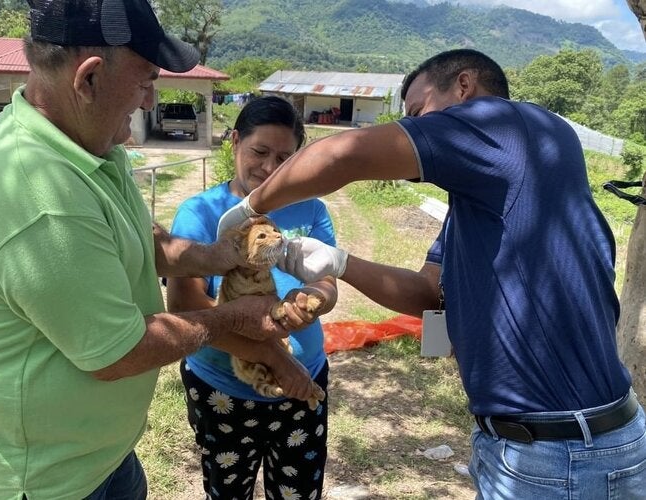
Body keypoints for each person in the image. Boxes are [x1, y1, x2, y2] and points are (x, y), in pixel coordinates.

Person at [217, 49, 646, 499]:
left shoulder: (512, 126)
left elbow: (341, 156)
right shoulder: (476, 203)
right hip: (525, 445)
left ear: (464, 87)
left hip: (564, 452)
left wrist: (250, 207)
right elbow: (429, 295)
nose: (415, 128)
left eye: (419, 113)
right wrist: (341, 264)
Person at [0, 2, 313, 499]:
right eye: (144, 83)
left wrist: (217, 256)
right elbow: (116, 353)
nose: (147, 101)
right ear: (89, 79)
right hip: (50, 481)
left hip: (98, 455)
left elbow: (142, 237)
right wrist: (233, 318)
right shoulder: (40, 195)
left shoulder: (90, 148)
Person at [167, 96, 338, 500]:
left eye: (284, 157)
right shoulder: (202, 213)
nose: (269, 168)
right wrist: (275, 357)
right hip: (223, 389)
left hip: (304, 379)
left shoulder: (311, 209)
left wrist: (310, 298)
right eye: (259, 152)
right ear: (235, 142)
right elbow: (186, 309)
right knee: (227, 492)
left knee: (298, 493)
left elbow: (328, 283)